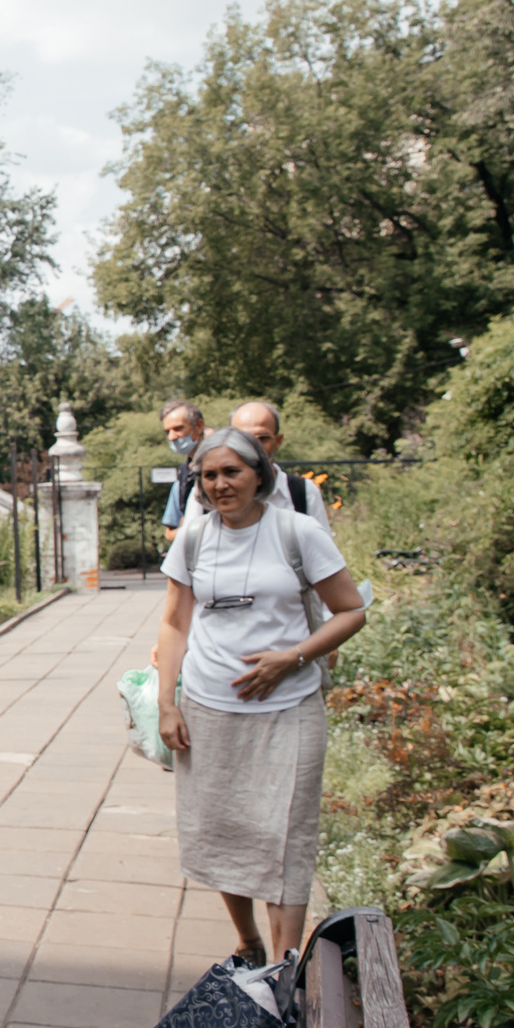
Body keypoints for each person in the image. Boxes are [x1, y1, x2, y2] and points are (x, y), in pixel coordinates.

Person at [152, 427, 366, 962]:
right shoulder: (194, 537)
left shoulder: (297, 532)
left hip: (288, 710)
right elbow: (174, 624)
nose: (221, 484)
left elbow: (351, 610)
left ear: (259, 474)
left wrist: (292, 657)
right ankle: (247, 941)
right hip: (209, 710)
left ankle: (283, 969)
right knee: (225, 833)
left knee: (285, 837)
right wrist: (167, 702)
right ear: (197, 483)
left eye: (232, 472)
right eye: (209, 475)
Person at [228, 399, 332, 533]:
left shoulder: (302, 493)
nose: (253, 447)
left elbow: (321, 550)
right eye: (244, 439)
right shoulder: (209, 491)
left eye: (262, 438)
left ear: (278, 441)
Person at [158, 399, 206, 541]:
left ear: (199, 426)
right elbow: (169, 533)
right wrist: (192, 529)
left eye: (178, 428)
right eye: (167, 432)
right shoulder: (183, 478)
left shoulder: (227, 466)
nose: (172, 437)